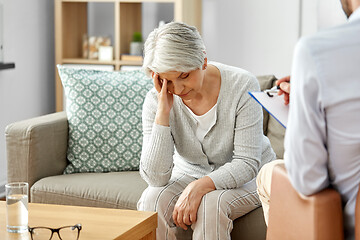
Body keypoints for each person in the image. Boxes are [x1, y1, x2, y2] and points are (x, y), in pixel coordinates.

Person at [137, 22, 276, 240]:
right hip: (190, 173)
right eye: (167, 80)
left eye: (184, 76)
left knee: (211, 204)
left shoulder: (242, 85)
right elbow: (155, 178)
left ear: (202, 60)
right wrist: (163, 113)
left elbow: (247, 162)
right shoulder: (157, 99)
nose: (178, 89)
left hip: (250, 177)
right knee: (150, 199)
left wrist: (199, 187)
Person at [256, 0, 360, 238]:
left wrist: (306, 104)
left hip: (344, 225)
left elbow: (307, 179)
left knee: (267, 174)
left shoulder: (317, 51)